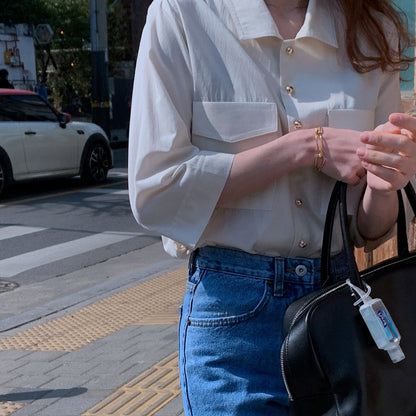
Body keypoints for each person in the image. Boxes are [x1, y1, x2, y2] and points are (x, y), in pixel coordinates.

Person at [128, 0, 416, 414]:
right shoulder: (184, 14)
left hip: (341, 311)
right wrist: (304, 147)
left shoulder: (371, 28)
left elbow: (368, 230)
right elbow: (156, 191)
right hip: (232, 321)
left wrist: (386, 184)